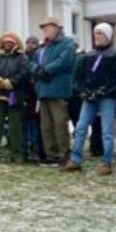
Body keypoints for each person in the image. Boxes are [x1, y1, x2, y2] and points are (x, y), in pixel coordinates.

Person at [63, 23, 116, 175]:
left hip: (107, 97)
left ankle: (107, 162)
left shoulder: (114, 55)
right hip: (89, 97)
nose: (97, 36)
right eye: (95, 33)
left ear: (108, 36)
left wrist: (104, 91)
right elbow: (80, 77)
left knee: (107, 130)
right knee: (81, 127)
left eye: (100, 33)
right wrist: (83, 91)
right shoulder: (88, 55)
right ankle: (75, 159)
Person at [31, 17, 76, 166]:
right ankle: (50, 154)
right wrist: (36, 69)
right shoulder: (42, 47)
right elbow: (32, 61)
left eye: (47, 27)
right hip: (43, 90)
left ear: (57, 27)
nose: (45, 30)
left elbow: (63, 61)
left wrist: (46, 70)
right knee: (46, 125)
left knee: (60, 123)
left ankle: (63, 154)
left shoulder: (67, 43)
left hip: (58, 89)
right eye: (43, 28)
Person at [0, 31, 30, 164]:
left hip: (14, 94)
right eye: (6, 42)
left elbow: (24, 73)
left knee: (15, 125)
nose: (8, 44)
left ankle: (17, 154)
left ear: (15, 43)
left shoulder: (22, 57)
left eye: (10, 42)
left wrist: (12, 82)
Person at [23, 36, 42, 162]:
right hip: (24, 94)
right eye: (28, 42)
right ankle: (25, 148)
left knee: (35, 123)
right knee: (25, 122)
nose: (30, 45)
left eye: (33, 43)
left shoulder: (40, 56)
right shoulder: (23, 57)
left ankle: (35, 148)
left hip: (36, 94)